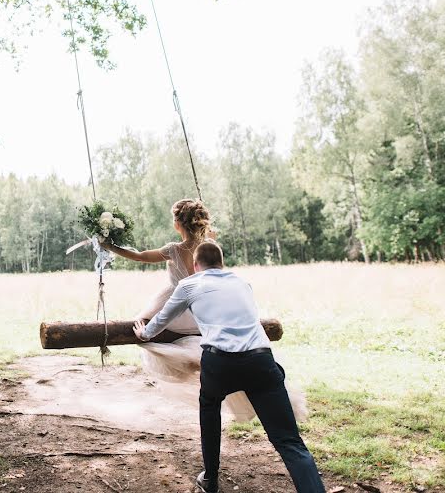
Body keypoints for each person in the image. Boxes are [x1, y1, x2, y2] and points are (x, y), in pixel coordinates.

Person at [133, 241, 326, 493]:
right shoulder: (242, 283)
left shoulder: (189, 284)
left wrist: (144, 332)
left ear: (195, 265)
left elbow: (162, 318)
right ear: (222, 263)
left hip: (220, 362)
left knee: (210, 408)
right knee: (289, 441)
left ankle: (210, 478)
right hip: (260, 361)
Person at [101, 199, 305, 422]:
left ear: (178, 224)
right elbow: (212, 239)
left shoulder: (173, 250)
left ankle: (191, 362)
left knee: (144, 323)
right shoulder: (209, 245)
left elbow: (139, 256)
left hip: (177, 310)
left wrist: (110, 247)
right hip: (206, 308)